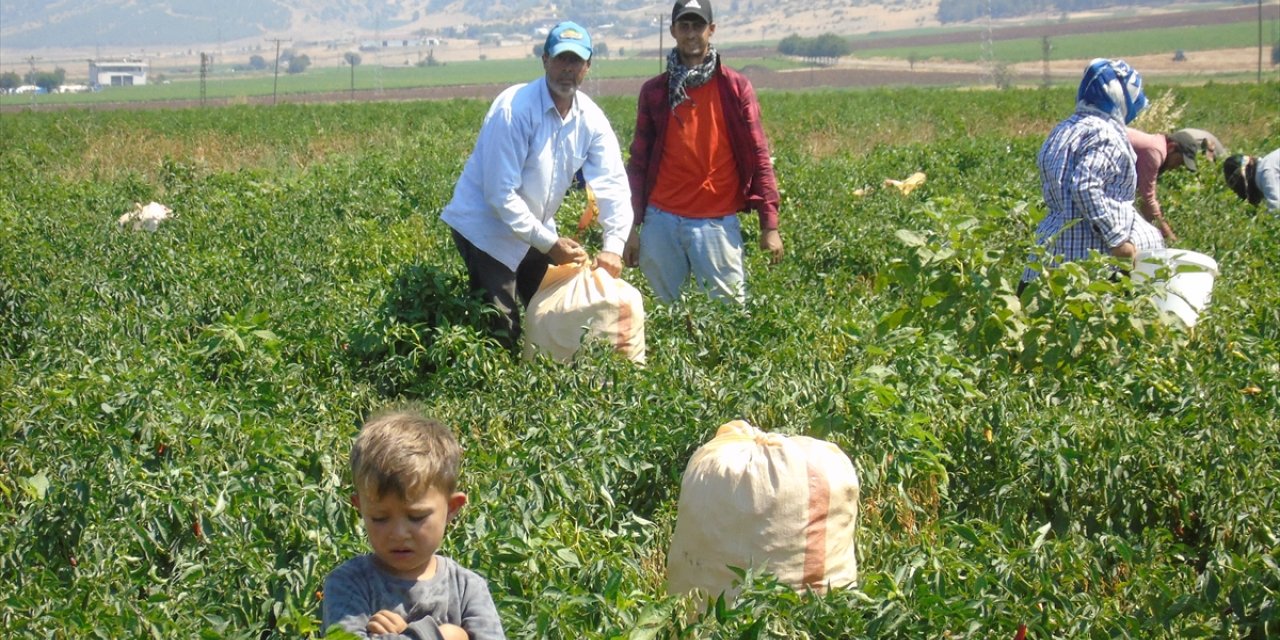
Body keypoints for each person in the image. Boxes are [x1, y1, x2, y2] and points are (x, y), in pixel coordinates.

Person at [441, 21, 632, 349]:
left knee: (549, 312)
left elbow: (613, 184)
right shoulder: (514, 109)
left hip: (536, 227)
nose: (567, 70)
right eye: (560, 59)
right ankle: (496, 390)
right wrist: (549, 243)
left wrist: (613, 246)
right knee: (502, 322)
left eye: (575, 62)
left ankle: (548, 384)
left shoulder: (590, 119)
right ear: (545, 60)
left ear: (587, 67)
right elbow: (500, 195)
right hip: (487, 227)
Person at [623, 0, 783, 304]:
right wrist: (629, 227)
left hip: (716, 222)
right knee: (664, 317)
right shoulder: (655, 91)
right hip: (662, 220)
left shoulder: (734, 88)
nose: (691, 33)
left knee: (729, 316)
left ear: (711, 30)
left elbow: (759, 156)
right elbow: (639, 162)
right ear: (673, 31)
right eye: (684, 25)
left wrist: (769, 225)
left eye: (698, 25)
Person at [322, 408, 505, 639]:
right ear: (360, 508)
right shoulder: (348, 583)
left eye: (416, 517)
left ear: (452, 508)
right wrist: (444, 636)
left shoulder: (467, 588)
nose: (398, 533)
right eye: (380, 518)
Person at [1022, 58, 1164, 286]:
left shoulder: (1063, 129)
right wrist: (1118, 241)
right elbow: (1085, 186)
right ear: (1121, 98)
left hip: (1052, 250)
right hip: (1093, 263)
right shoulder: (1105, 134)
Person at [1124, 127, 1199, 242]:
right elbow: (1147, 199)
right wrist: (1167, 234)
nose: (1176, 167)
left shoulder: (1157, 144)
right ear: (1171, 148)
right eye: (1179, 161)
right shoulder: (1155, 152)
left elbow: (1143, 198)